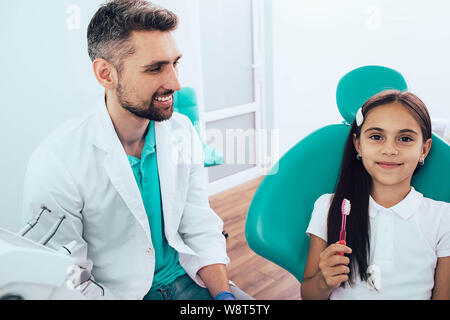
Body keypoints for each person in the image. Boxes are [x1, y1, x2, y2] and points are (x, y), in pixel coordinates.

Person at [22, 0, 251, 300]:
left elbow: (199, 222)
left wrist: (223, 296)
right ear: (106, 74)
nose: (176, 83)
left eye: (175, 63)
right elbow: (67, 276)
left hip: (187, 278)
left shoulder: (181, 131)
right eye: (155, 68)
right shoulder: (57, 161)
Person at [301, 90, 450, 300]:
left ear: (424, 150)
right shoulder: (328, 207)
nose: (389, 149)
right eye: (376, 137)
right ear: (358, 145)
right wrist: (323, 281)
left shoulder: (443, 219)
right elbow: (308, 295)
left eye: (405, 138)